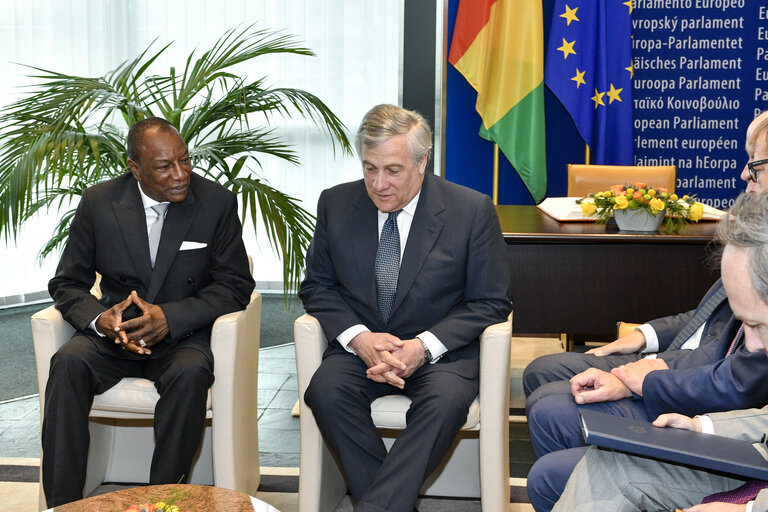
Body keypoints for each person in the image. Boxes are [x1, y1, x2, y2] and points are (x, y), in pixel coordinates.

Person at [526, 113, 768, 510]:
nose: (743, 174)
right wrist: (693, 421)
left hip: (717, 419)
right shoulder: (752, 243)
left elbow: (738, 378)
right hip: (710, 408)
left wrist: (749, 508)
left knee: (556, 413)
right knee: (554, 389)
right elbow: (710, 338)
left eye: (754, 164)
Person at [299, 104, 511, 512]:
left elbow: (491, 301)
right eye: (369, 168)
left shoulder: (470, 211)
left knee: (446, 403)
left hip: (440, 355)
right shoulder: (336, 204)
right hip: (362, 349)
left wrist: (423, 346)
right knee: (325, 390)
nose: (378, 184)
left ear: (422, 161)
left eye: (392, 170)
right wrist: (359, 338)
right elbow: (318, 287)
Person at [42, 117, 255, 507]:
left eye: (184, 160)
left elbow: (235, 285)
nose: (180, 174)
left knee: (191, 374)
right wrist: (100, 320)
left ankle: (160, 502)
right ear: (135, 168)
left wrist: (169, 318)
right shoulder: (99, 202)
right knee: (67, 363)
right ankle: (63, 504)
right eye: (164, 166)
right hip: (113, 338)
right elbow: (67, 283)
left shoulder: (215, 203)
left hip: (181, 337)